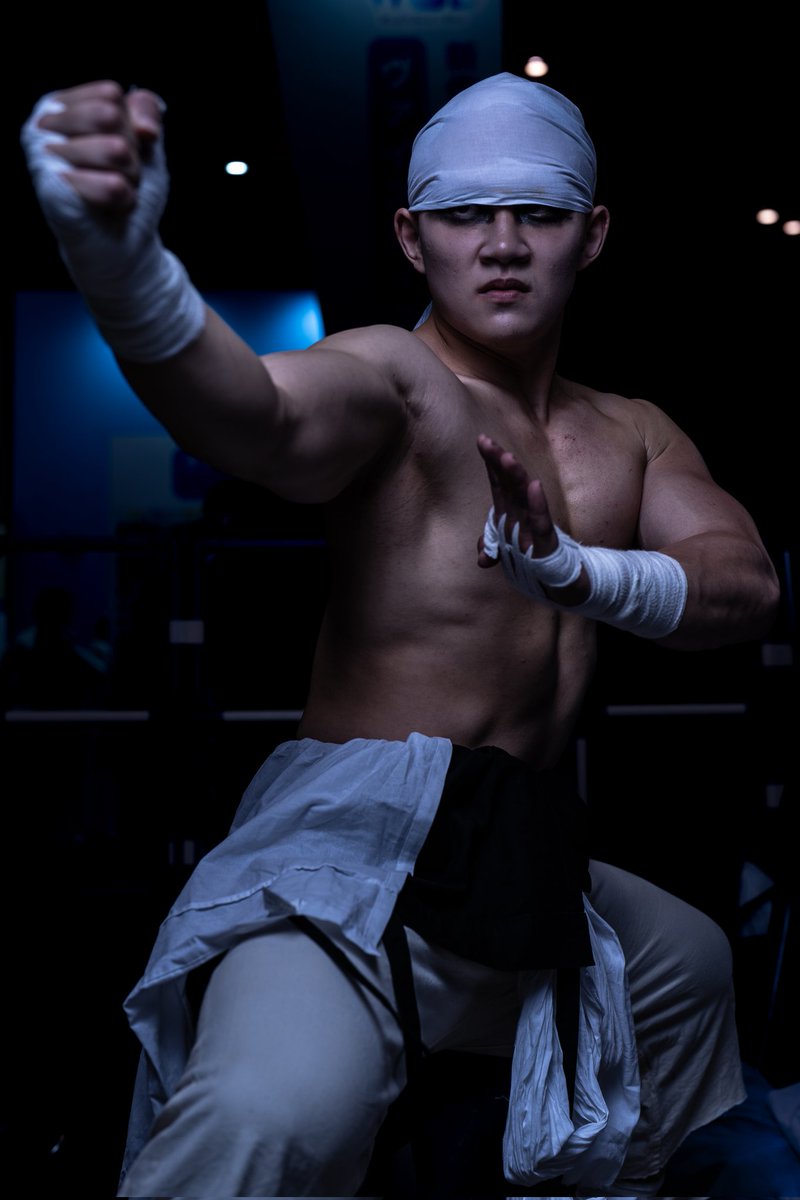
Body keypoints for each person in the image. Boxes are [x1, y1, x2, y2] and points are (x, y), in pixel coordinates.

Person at [20, 72, 780, 1197]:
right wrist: (123, 265)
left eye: (539, 214)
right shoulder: (399, 380)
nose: (503, 245)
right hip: (357, 845)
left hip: (517, 848)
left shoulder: (631, 433)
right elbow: (257, 414)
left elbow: (743, 583)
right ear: (413, 238)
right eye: (466, 215)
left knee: (687, 966)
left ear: (592, 234)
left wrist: (583, 573)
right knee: (265, 1116)